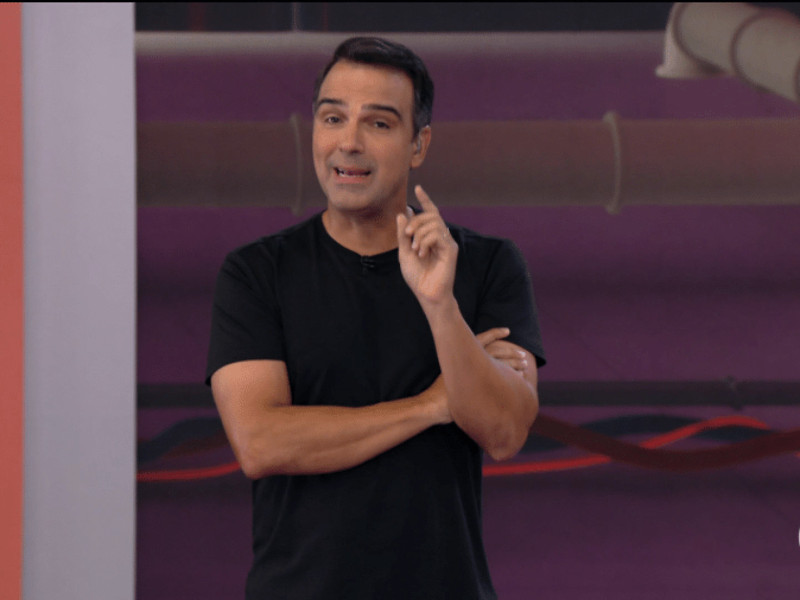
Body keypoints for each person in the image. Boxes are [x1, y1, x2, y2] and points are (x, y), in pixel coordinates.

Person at [206, 36, 546, 600]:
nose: (349, 142)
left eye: (379, 124)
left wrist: (441, 306)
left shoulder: (486, 265)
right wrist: (431, 405)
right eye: (332, 118)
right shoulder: (256, 273)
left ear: (418, 144)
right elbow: (261, 443)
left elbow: (505, 431)